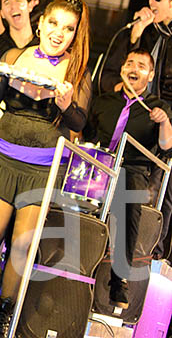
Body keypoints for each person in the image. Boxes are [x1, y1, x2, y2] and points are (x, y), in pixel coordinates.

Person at [0, 0, 91, 336]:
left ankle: (4, 318)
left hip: (43, 169)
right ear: (40, 22)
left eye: (68, 28)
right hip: (4, 157)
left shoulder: (76, 70)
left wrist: (66, 106)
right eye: (53, 23)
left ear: (74, 34)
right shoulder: (14, 56)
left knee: (21, 247)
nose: (58, 33)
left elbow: (79, 122)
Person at [84, 49, 172, 307]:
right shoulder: (104, 101)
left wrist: (164, 122)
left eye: (142, 66)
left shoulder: (158, 107)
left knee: (129, 199)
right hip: (99, 163)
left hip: (131, 168)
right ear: (122, 68)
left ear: (151, 74)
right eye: (130, 63)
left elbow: (166, 146)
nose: (134, 68)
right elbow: (87, 132)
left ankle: (119, 278)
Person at [99, 0, 172, 257]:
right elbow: (123, 68)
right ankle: (107, 240)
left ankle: (154, 248)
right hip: (140, 111)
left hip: (164, 116)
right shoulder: (151, 31)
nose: (151, 2)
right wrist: (136, 33)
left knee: (164, 184)